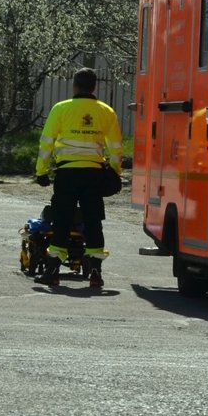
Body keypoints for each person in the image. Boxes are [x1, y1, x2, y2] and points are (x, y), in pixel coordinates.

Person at [34, 67, 122, 289]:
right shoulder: (106, 111)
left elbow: (47, 143)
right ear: (94, 87)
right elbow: (116, 148)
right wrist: (114, 173)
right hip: (93, 174)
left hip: (67, 173)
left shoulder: (60, 109)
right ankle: (95, 273)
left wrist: (41, 171)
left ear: (74, 85)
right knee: (93, 221)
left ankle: (52, 272)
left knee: (62, 219)